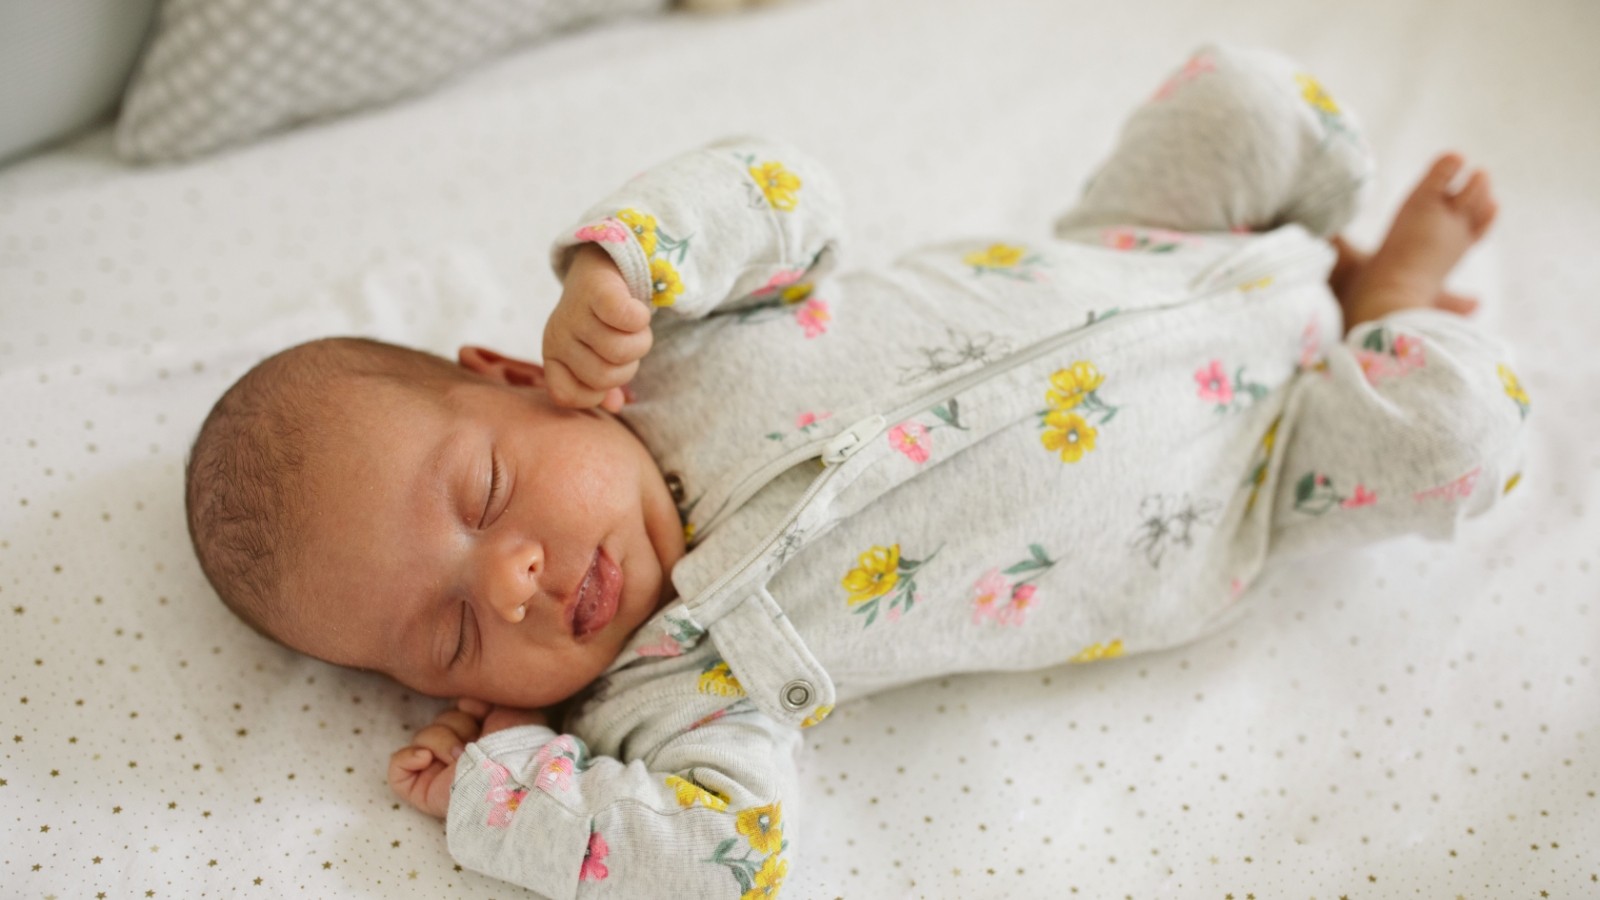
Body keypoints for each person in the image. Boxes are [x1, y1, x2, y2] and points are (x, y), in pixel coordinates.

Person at [184, 43, 1527, 898]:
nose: (519, 581)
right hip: (1239, 474)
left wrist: (632, 255)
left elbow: (791, 187)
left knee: (1250, 95)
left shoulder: (656, 344)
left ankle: (1320, 266)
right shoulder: (669, 702)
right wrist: (508, 791)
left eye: (482, 500)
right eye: (456, 629)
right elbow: (731, 862)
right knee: (1465, 429)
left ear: (511, 374)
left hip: (1141, 246)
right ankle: (1373, 311)